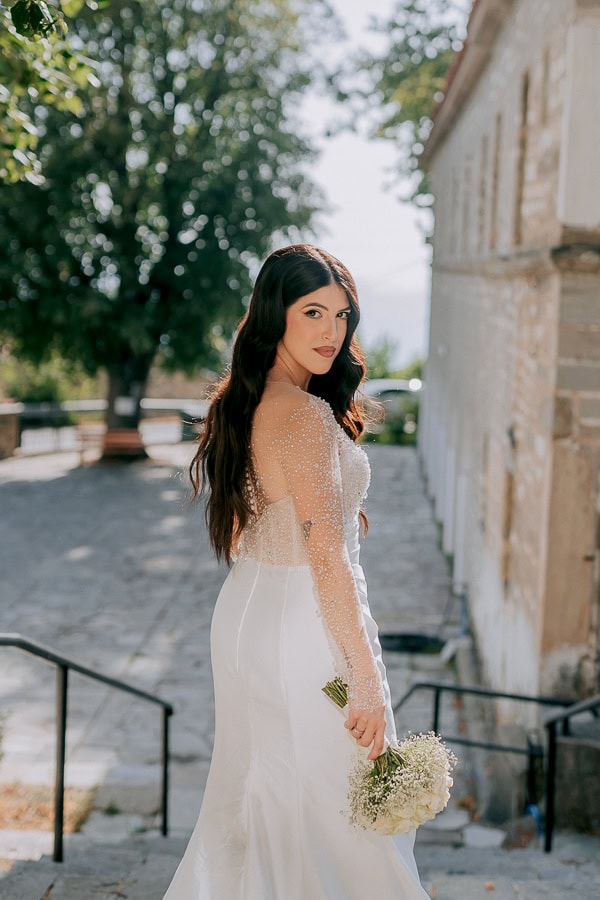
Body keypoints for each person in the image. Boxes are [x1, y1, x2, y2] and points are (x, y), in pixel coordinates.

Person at [163, 244, 428, 898]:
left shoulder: (247, 401)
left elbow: (242, 529)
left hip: (250, 618)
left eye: (341, 315)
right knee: (341, 812)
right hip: (306, 631)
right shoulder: (305, 415)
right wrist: (364, 677)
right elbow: (327, 555)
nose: (331, 331)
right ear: (274, 314)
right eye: (313, 312)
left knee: (268, 798)